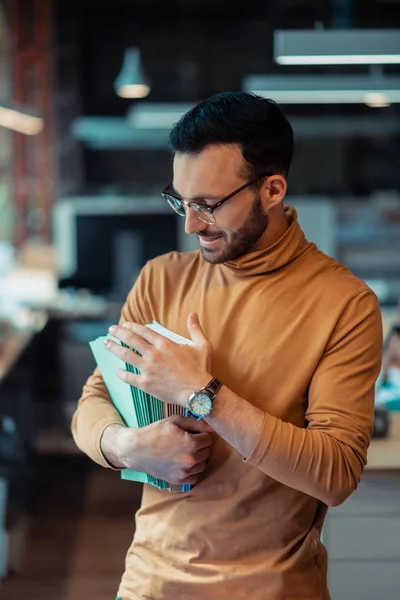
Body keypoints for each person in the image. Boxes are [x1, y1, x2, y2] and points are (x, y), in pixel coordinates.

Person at [71, 92, 383, 600]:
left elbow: (336, 474)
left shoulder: (344, 305)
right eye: (181, 201)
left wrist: (203, 393)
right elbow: (94, 402)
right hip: (148, 584)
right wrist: (128, 447)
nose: (192, 223)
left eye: (209, 205)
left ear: (272, 189)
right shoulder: (161, 280)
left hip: (271, 589)